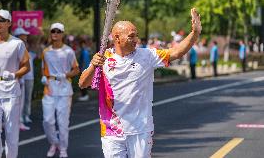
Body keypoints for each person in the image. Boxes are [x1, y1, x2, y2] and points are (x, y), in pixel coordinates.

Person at [79, 8, 202, 157]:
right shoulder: (103, 58)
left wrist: (194, 33)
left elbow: (175, 52)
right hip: (112, 130)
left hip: (140, 129)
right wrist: (93, 65)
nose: (136, 40)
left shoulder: (147, 55)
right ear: (117, 38)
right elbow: (83, 84)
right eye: (131, 36)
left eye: (136, 36)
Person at [0, 9, 30, 158]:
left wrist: (14, 74)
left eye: (2, 20)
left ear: (9, 23)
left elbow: (26, 67)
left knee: (11, 131)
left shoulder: (17, 44)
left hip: (11, 92)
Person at [41, 23, 80, 158]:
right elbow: (43, 69)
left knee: (63, 123)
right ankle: (54, 142)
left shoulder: (68, 51)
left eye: (58, 31)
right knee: (47, 121)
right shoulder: (46, 52)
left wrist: (65, 75)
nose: (55, 33)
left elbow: (76, 69)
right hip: (49, 89)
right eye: (53, 31)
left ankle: (63, 148)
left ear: (62, 34)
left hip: (64, 90)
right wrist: (44, 78)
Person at [13, 27, 31, 131]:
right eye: (24, 35)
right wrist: (19, 78)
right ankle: (18, 123)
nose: (26, 36)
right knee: (19, 103)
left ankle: (10, 123)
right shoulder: (19, 46)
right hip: (18, 79)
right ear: (19, 36)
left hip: (14, 78)